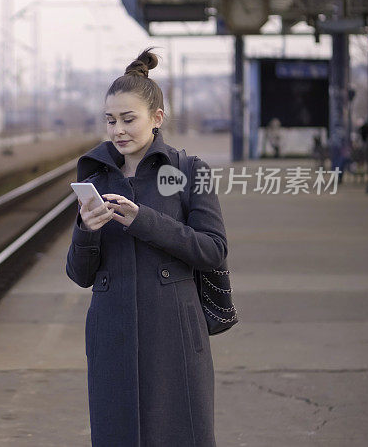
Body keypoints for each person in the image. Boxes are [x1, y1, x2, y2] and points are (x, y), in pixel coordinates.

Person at [66, 49, 227, 446]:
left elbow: (213, 249)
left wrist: (145, 221)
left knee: (180, 433)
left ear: (156, 119)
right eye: (110, 120)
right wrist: (87, 230)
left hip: (172, 329)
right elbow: (80, 274)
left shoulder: (188, 171)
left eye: (128, 119)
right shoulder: (96, 176)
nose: (118, 130)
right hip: (112, 331)